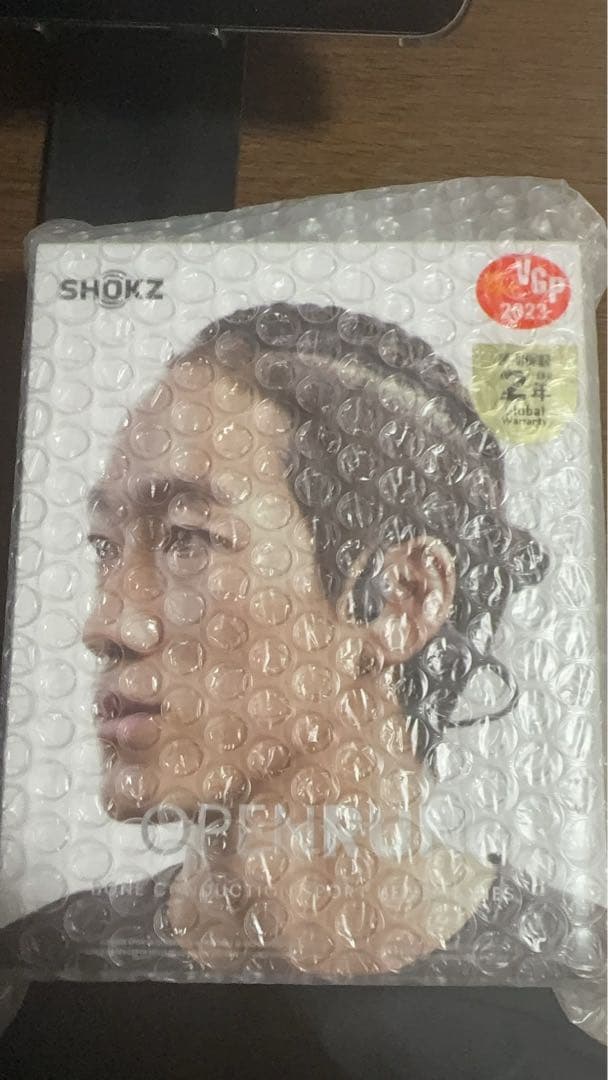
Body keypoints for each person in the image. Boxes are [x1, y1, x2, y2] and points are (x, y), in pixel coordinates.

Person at [0, 305, 604, 1046]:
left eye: (188, 539)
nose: (106, 624)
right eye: (105, 545)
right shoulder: (46, 972)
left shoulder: (575, 980)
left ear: (402, 600)